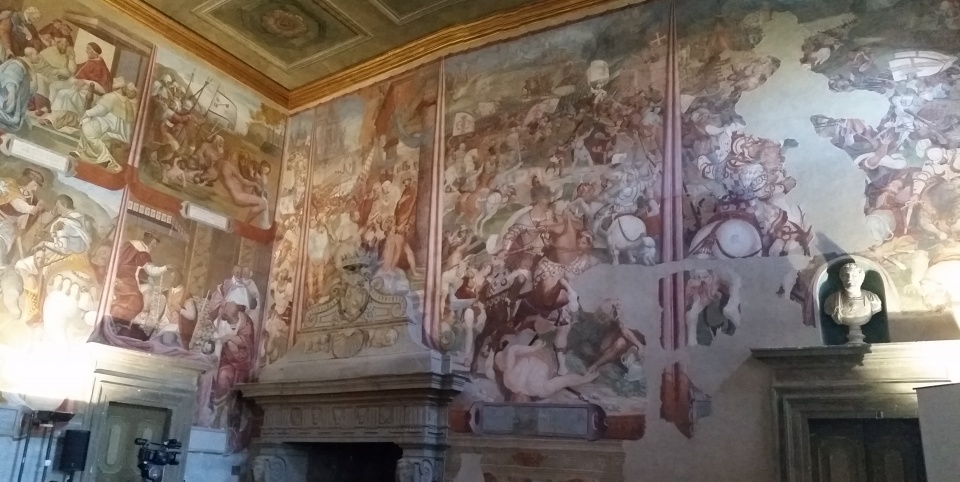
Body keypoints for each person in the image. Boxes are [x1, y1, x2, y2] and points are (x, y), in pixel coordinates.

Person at [108, 232, 168, 339]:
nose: (154, 246)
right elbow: (151, 270)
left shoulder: (128, 244)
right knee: (136, 301)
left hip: (116, 276)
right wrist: (165, 268)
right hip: (128, 280)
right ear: (148, 238)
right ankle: (126, 325)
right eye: (154, 243)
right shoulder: (142, 252)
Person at [72, 81, 138, 170]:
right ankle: (81, 151)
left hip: (108, 125)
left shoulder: (114, 97)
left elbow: (100, 110)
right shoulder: (124, 101)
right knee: (88, 125)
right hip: (114, 129)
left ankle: (106, 158)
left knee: (88, 128)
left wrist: (87, 113)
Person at [0, 56, 34, 134]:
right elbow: (10, 80)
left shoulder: (17, 66)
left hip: (8, 104)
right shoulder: (16, 65)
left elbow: (11, 81)